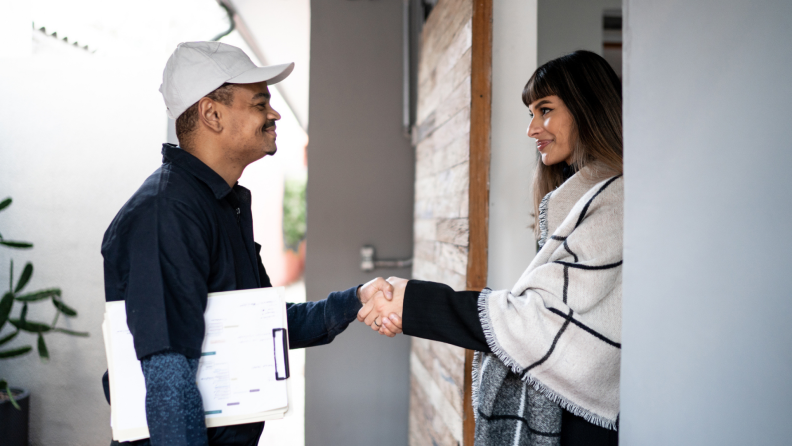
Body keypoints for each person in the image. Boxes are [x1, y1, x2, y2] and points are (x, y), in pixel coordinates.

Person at [100, 41, 393, 446]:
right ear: (212, 114)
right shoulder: (166, 213)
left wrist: (354, 301)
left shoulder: (220, 204)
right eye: (259, 103)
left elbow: (258, 326)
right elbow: (169, 373)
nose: (273, 114)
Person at [360, 50, 624, 446]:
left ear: (587, 108)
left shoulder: (615, 201)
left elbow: (538, 323)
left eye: (545, 110)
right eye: (530, 114)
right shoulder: (576, 198)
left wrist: (411, 302)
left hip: (585, 426)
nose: (532, 129)